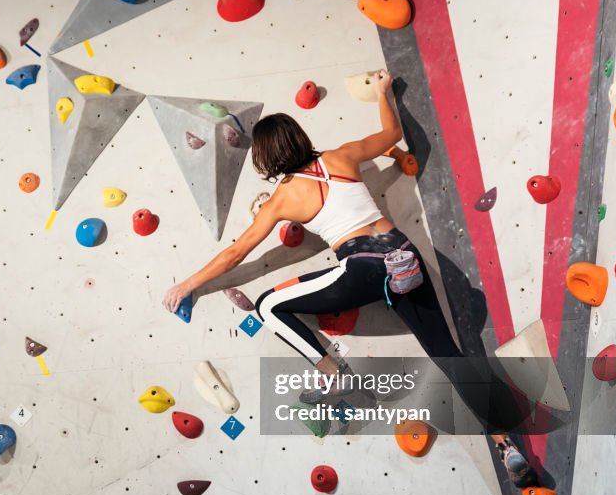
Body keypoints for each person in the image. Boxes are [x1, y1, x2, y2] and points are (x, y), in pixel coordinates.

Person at [162, 70, 460, 376]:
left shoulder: (281, 200)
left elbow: (235, 254)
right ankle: (503, 420)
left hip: (364, 266)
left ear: (265, 155)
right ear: (298, 137)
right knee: (446, 353)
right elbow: (393, 133)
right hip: (402, 253)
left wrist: (187, 285)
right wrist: (383, 92)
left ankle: (334, 375)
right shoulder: (342, 156)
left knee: (268, 305)